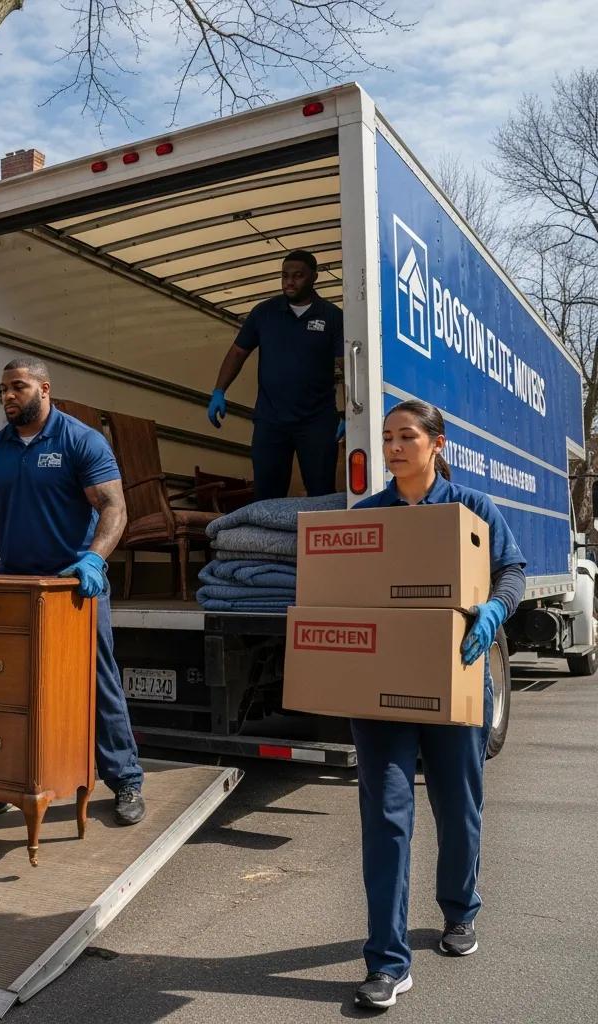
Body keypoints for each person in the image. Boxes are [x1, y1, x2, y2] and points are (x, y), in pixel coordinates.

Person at [0, 357, 146, 826]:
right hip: (16, 588)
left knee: (97, 681)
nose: (9, 396)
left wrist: (95, 557)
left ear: (44, 389)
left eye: (18, 387)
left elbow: (114, 506)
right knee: (4, 686)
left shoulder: (81, 440)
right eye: (3, 390)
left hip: (74, 586)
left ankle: (126, 780)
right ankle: (1, 781)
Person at [347, 399, 526, 1010]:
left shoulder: (471, 509)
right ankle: (388, 962)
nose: (394, 447)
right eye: (387, 438)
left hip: (456, 683)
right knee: (387, 816)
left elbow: (512, 570)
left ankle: (459, 910)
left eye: (406, 437)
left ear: (437, 443)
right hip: (382, 691)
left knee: (458, 802)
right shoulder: (369, 516)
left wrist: (496, 611)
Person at [207, 249, 344, 500]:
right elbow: (238, 352)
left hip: (317, 421)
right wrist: (219, 390)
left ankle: (318, 539)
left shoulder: (332, 316)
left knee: (322, 493)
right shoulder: (264, 313)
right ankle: (268, 541)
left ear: (314, 277)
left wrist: (348, 412)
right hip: (271, 420)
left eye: (298, 276)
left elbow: (346, 365)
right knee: (267, 494)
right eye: (285, 275)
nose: (289, 282)